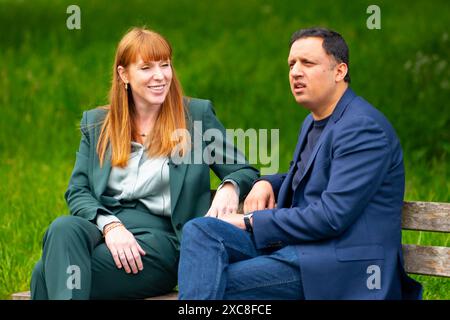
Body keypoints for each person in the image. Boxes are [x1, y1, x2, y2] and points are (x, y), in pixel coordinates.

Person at [177, 27, 423, 300]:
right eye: (292, 64)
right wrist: (264, 182)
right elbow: (307, 175)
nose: (295, 72)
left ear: (339, 71)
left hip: (339, 264)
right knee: (200, 230)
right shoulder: (314, 120)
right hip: (301, 249)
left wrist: (249, 221)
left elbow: (331, 216)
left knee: (214, 281)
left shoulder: (363, 129)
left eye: (308, 63)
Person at [30, 27, 259, 300]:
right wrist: (111, 225)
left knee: (44, 273)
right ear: (123, 74)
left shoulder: (195, 116)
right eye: (146, 68)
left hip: (160, 241)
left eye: (165, 65)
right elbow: (78, 191)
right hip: (104, 228)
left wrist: (230, 187)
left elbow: (243, 169)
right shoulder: (97, 124)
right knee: (62, 227)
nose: (160, 76)